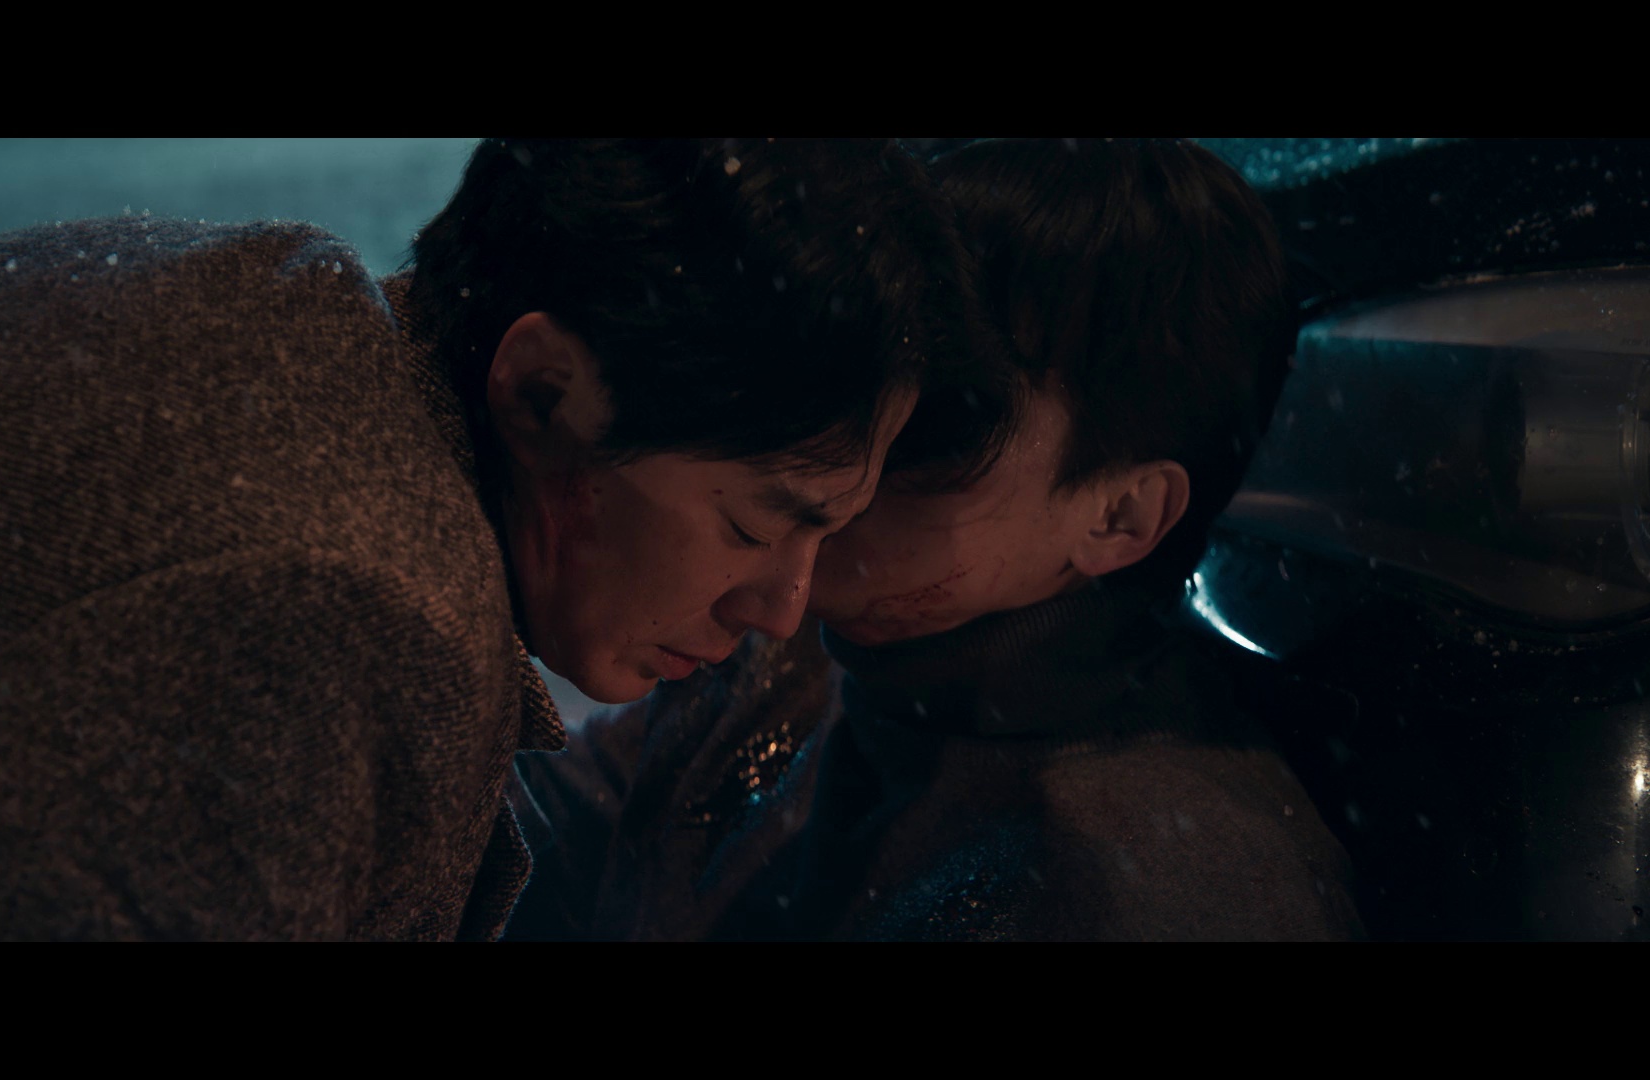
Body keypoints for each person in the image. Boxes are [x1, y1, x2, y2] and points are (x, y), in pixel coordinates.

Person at [0, 138, 986, 940]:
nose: (782, 610)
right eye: (754, 524)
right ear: (543, 396)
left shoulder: (290, 326)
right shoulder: (349, 613)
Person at [507, 137, 1366, 941]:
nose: (848, 468)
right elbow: (541, 833)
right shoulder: (804, 648)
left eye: (942, 430)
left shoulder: (1173, 888)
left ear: (1121, 518)